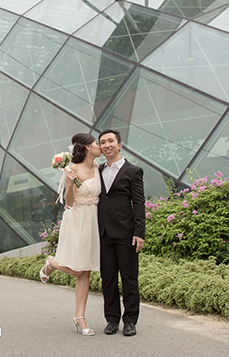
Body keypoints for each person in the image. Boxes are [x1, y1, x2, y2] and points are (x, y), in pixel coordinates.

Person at [39, 133, 102, 336]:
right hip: (76, 219)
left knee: (86, 271)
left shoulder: (98, 167)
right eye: (96, 144)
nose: (99, 146)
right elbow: (69, 201)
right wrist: (69, 183)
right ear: (86, 148)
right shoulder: (72, 169)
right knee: (78, 269)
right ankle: (53, 263)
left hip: (93, 219)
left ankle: (79, 317)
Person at [97, 129, 145, 337]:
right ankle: (111, 319)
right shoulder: (97, 170)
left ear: (119, 145)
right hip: (103, 233)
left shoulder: (133, 171)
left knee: (129, 278)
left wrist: (139, 232)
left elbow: (139, 203)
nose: (106, 145)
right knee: (107, 278)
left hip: (126, 233)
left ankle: (130, 320)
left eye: (110, 141)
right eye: (102, 142)